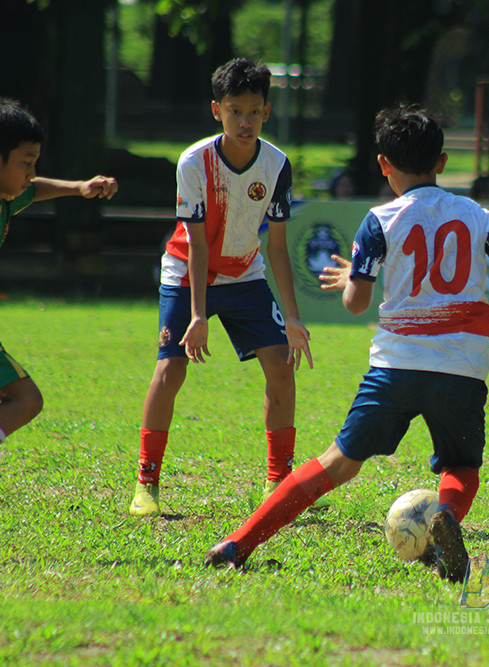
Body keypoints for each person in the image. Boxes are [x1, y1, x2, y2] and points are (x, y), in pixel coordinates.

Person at [205, 104, 489, 583]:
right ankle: (446, 513)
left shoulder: (379, 219)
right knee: (462, 465)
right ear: (442, 163)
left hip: (397, 364)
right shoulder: (478, 215)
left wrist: (352, 277)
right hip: (463, 364)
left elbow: (356, 304)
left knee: (337, 463)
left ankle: (239, 542)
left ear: (384, 165)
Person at [129, 59, 314, 517]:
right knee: (170, 371)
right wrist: (197, 315)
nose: (245, 121)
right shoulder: (194, 162)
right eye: (235, 110)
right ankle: (146, 484)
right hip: (187, 271)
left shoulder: (276, 165)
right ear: (217, 110)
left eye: (254, 111)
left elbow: (276, 246)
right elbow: (195, 243)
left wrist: (292, 318)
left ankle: (280, 481)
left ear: (267, 112)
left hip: (245, 274)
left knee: (281, 366)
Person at [0, 99, 117, 444]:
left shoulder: (7, 198)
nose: (31, 173)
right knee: (25, 399)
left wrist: (78, 187)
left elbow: (34, 190)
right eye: (25, 163)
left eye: (34, 163)